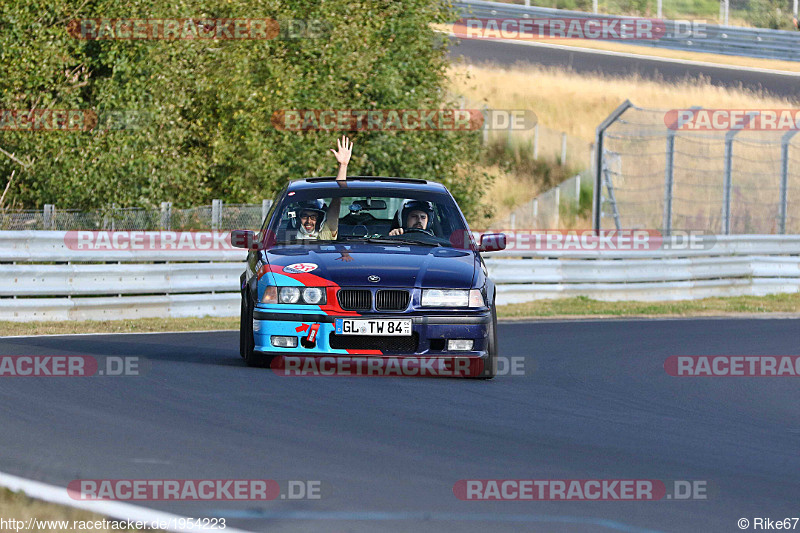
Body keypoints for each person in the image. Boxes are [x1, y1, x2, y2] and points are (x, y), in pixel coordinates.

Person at [294, 136, 352, 240]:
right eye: (304, 216)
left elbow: (337, 198)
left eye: (313, 217)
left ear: (320, 218)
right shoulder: (286, 235)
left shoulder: (325, 234)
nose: (308, 221)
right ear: (298, 217)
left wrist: (343, 166)